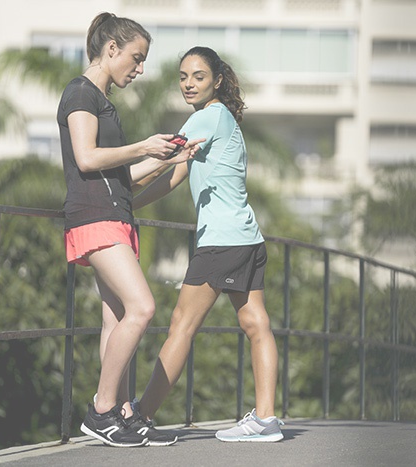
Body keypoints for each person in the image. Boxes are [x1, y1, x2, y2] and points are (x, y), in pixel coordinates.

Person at [57, 12, 200, 447]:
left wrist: (166, 158)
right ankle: (100, 410)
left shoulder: (102, 100)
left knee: (117, 317)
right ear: (111, 49)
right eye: (135, 59)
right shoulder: (81, 93)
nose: (139, 70)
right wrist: (143, 144)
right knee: (142, 308)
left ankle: (119, 412)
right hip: (94, 217)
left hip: (115, 215)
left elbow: (121, 175)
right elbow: (86, 158)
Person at [132, 46, 284, 442]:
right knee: (256, 323)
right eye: (183, 76)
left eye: (197, 76)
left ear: (216, 80)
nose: (188, 84)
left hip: (220, 242)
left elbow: (167, 156)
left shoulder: (208, 117)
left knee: (181, 325)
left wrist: (120, 183)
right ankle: (266, 419)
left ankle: (142, 416)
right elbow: (176, 172)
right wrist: (130, 207)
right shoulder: (220, 119)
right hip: (247, 237)